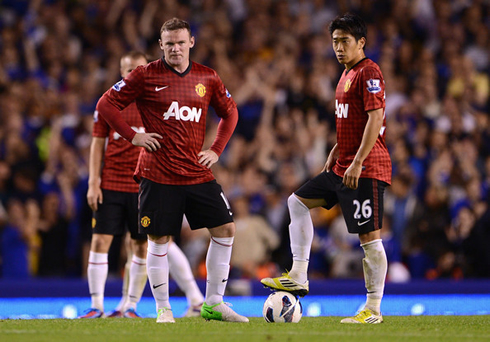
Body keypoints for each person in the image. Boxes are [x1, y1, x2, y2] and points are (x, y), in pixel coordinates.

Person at [94, 18, 248, 323]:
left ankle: (213, 303)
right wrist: (133, 136)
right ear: (160, 45)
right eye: (169, 43)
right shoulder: (144, 74)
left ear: (191, 42)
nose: (175, 48)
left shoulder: (208, 77)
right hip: (158, 173)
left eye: (180, 42)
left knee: (226, 229)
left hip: (196, 170)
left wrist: (216, 150)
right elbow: (106, 104)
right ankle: (163, 308)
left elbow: (230, 113)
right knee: (158, 239)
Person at [261, 13, 391, 324]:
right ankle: (299, 275)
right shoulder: (345, 75)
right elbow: (352, 120)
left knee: (368, 237)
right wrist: (337, 149)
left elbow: (375, 118)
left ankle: (373, 309)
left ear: (361, 42)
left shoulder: (369, 71)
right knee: (297, 202)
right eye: (335, 41)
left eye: (345, 41)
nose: (339, 47)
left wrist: (358, 160)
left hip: (366, 167)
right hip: (344, 163)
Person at [80, 51, 204, 319]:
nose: (130, 75)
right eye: (126, 70)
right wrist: (93, 181)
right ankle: (103, 306)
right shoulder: (109, 106)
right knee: (122, 242)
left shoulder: (159, 102)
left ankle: (132, 305)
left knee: (150, 244)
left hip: (148, 184)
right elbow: (97, 143)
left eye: (135, 69)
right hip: (113, 183)